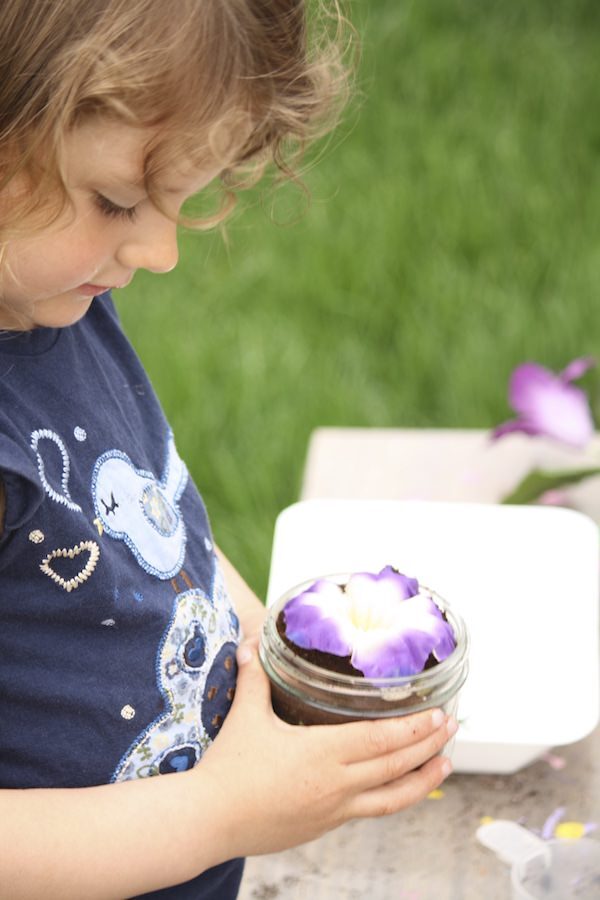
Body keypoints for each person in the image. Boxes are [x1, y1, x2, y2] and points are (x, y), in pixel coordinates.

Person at [0, 1, 457, 897]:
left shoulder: (49, 297)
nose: (162, 250)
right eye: (118, 202)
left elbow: (153, 532)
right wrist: (223, 810)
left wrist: (276, 660)